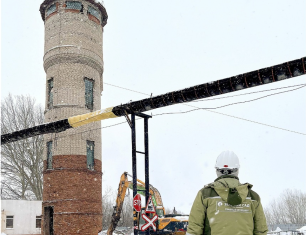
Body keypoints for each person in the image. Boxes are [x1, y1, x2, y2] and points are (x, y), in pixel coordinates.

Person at [187, 150, 268, 235]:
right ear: (237, 170)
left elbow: (194, 229)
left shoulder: (205, 195)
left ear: (217, 170)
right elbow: (261, 231)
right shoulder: (253, 197)